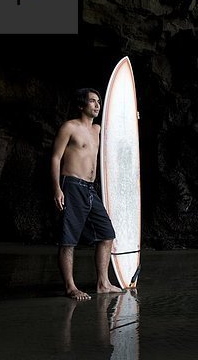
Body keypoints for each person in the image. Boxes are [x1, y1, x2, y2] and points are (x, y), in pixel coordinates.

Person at [51, 88, 123, 300]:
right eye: (92, 101)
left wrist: (134, 116)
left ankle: (103, 283)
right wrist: (57, 189)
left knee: (107, 234)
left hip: (91, 188)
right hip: (71, 185)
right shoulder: (70, 127)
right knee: (68, 240)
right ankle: (71, 287)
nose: (97, 105)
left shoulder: (98, 130)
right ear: (82, 105)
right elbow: (55, 158)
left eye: (98, 101)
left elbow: (122, 132)